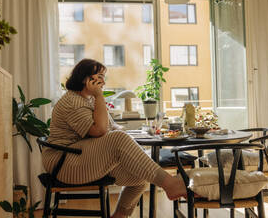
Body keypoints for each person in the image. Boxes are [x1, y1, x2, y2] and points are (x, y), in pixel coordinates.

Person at [42, 59, 187, 218]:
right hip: (64, 163)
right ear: (85, 79)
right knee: (120, 141)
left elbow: (112, 127)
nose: (103, 81)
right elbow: (100, 130)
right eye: (99, 76)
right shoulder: (73, 101)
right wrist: (99, 96)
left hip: (80, 155)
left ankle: (119, 215)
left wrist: (127, 136)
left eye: (104, 77)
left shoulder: (88, 99)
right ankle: (170, 184)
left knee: (141, 173)